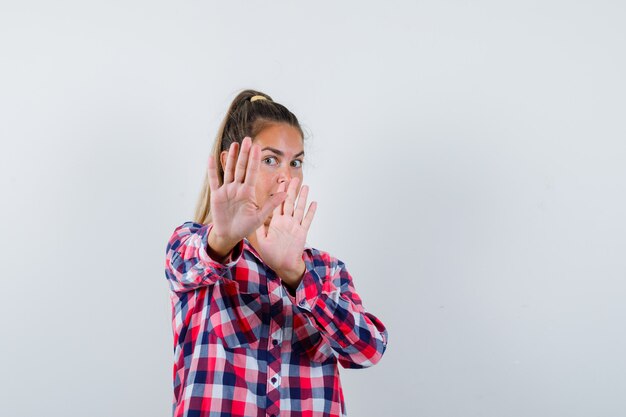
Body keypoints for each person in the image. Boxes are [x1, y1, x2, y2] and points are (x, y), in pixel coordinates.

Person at [164, 89, 388, 417]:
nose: (287, 176)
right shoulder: (193, 246)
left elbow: (368, 351)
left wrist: (297, 276)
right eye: (271, 159)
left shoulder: (325, 271)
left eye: (295, 162)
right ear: (232, 162)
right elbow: (187, 265)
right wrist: (223, 239)